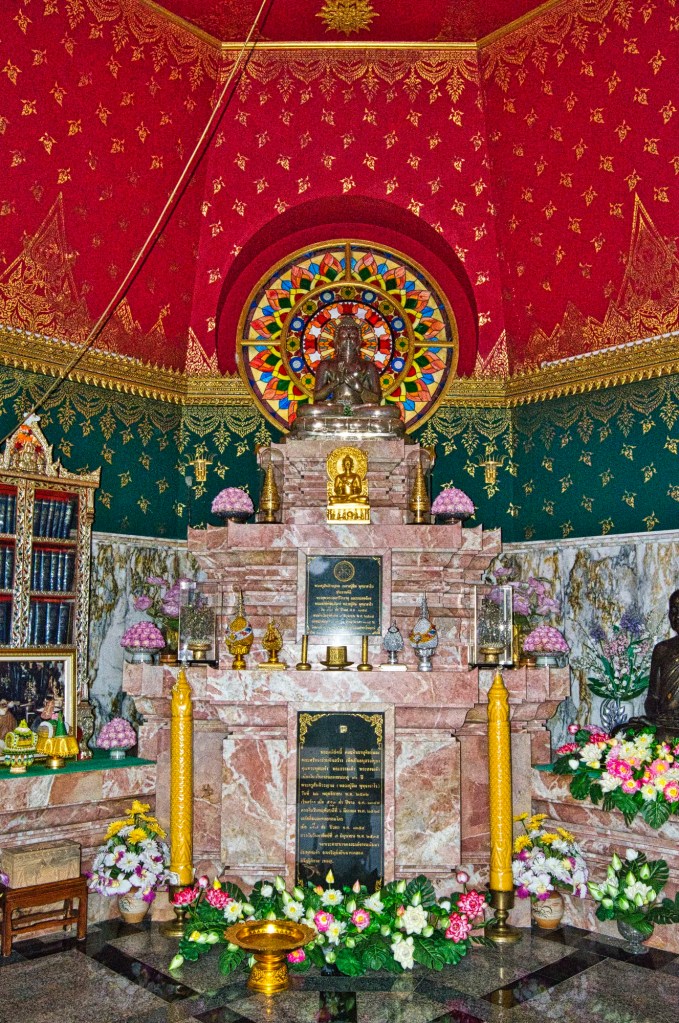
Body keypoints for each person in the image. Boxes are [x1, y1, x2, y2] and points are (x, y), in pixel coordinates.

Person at [290, 315, 404, 437]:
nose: (349, 338)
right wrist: (334, 383)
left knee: (392, 412)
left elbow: (376, 399)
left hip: (360, 410)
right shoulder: (326, 365)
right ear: (336, 341)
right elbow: (317, 397)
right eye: (344, 334)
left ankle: (335, 426)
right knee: (306, 411)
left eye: (353, 335)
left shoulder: (368, 366)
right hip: (334, 409)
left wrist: (359, 388)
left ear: (359, 341)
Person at [644, 589, 679, 736]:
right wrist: (656, 715)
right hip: (666, 723)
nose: (677, 616)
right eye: (673, 611)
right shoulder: (662, 649)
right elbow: (653, 697)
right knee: (622, 732)